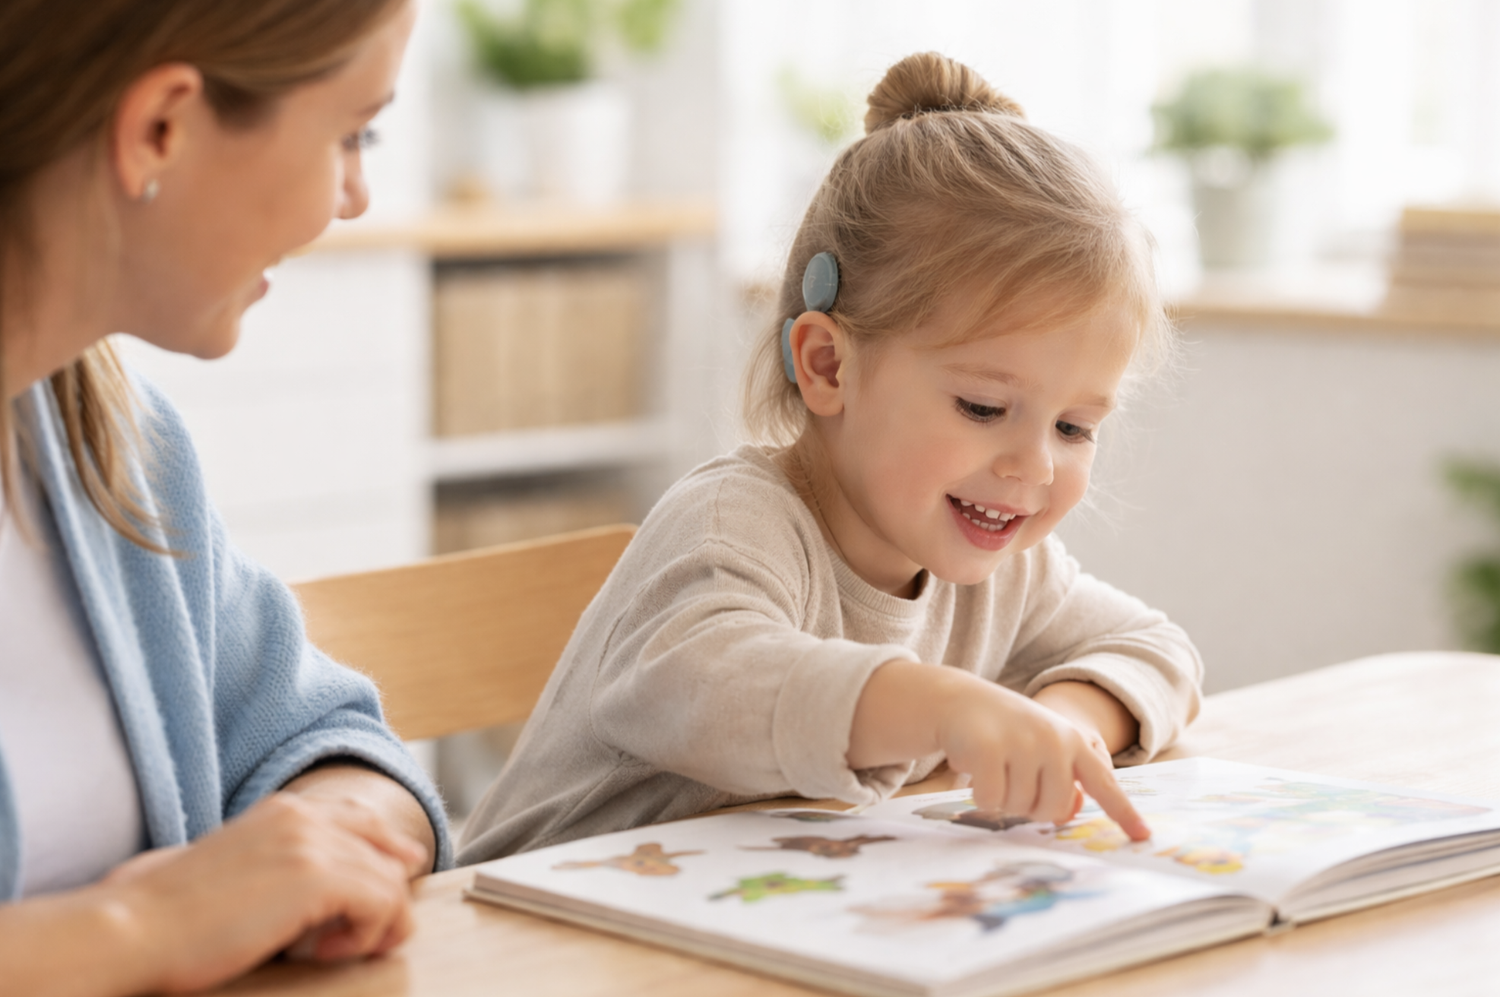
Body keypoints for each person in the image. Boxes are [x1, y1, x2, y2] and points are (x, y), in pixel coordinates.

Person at [458, 52, 1204, 864]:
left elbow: (1157, 650)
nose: (1034, 466)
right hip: (533, 927)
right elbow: (710, 688)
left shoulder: (1004, 569)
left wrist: (1061, 726)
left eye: (1075, 427)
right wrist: (951, 707)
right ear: (827, 366)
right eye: (984, 408)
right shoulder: (731, 526)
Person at [0, 1, 452, 993]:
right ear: (160, 126)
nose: (355, 196)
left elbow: (323, 741)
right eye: (351, 132)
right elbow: (172, 913)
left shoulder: (115, 449)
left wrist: (331, 830)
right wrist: (142, 922)